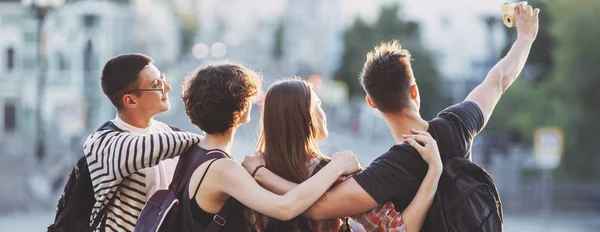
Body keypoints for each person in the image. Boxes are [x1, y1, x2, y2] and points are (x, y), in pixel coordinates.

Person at [244, 2, 540, 231]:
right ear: (414, 91)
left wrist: (260, 173)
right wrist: (525, 38)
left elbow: (313, 206)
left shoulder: (387, 170)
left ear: (371, 103)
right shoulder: (456, 125)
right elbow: (498, 79)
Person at [176, 61, 362, 231]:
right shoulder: (223, 168)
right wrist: (337, 167)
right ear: (239, 108)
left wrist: (261, 172)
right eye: (248, 97)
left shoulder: (194, 152)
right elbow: (285, 208)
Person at [242, 78, 443, 232]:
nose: (323, 112)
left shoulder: (246, 176)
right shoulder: (335, 178)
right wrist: (435, 170)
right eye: (318, 105)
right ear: (307, 118)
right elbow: (399, 229)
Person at [84, 54, 202, 232]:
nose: (167, 88)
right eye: (156, 85)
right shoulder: (101, 143)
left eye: (162, 79)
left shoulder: (170, 135)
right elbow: (148, 146)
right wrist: (207, 139)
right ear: (130, 100)